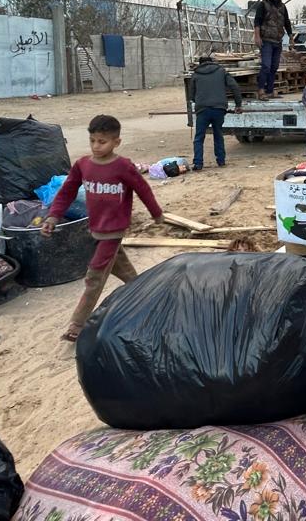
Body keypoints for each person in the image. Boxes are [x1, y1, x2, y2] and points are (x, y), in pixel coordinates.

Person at [42, 114, 163, 342]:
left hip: (114, 230)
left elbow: (143, 189)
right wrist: (53, 216)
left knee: (94, 276)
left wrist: (156, 213)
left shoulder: (123, 166)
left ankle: (76, 326)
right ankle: (147, 294)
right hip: (95, 227)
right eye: (93, 141)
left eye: (103, 141)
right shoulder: (83, 165)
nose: (97, 146)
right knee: (124, 270)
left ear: (116, 142)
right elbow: (66, 191)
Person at [190, 55, 242, 170]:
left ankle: (198, 163)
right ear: (212, 62)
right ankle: (221, 161)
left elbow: (191, 95)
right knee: (218, 134)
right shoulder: (221, 71)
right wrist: (238, 105)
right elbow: (234, 86)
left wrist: (199, 101)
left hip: (202, 110)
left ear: (200, 64)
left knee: (199, 137)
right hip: (219, 109)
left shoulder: (195, 75)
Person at [253, 0, 294, 100]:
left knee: (274, 66)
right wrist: (257, 36)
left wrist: (291, 37)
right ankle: (261, 91)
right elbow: (257, 21)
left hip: (277, 41)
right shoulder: (263, 5)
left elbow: (287, 22)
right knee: (266, 65)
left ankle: (270, 91)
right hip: (266, 40)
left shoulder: (282, 6)